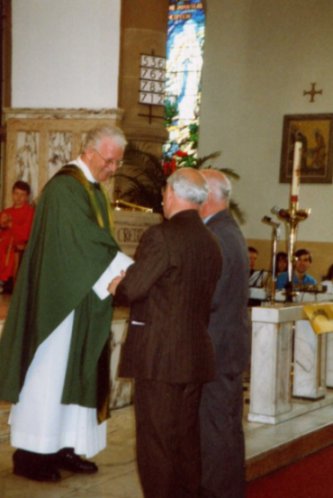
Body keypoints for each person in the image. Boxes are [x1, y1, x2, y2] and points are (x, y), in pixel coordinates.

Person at [0, 125, 127, 482]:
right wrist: (123, 267)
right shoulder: (64, 188)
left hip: (82, 295)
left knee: (76, 373)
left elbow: (95, 240)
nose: (113, 168)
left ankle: (64, 445)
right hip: (57, 302)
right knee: (50, 374)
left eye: (117, 162)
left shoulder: (92, 189)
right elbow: (85, 242)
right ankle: (31, 453)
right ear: (89, 152)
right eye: (110, 160)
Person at [108, 168, 222, 498]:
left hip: (161, 358)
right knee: (186, 443)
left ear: (171, 194)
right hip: (194, 354)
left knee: (156, 445)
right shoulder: (210, 241)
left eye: (163, 194)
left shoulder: (162, 236)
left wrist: (120, 285)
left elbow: (133, 289)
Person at [198, 170, 250, 498]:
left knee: (215, 432)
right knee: (227, 429)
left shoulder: (215, 236)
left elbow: (208, 297)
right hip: (228, 347)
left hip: (215, 348)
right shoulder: (229, 230)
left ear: (207, 196)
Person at [0, 180, 35, 293]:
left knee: (7, 250)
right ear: (12, 194)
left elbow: (26, 233)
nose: (18, 197)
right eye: (16, 193)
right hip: (4, 241)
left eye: (22, 195)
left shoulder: (30, 211)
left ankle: (4, 280)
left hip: (17, 243)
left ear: (27, 196)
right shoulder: (6, 211)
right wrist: (2, 224)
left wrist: (11, 224)